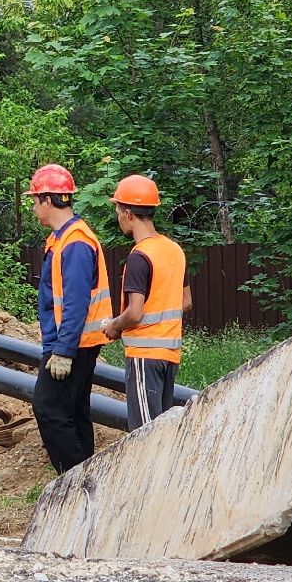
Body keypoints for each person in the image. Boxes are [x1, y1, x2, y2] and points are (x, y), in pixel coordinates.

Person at [28, 163, 112, 472]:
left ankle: (75, 480)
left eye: (35, 201)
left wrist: (63, 351)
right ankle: (88, 478)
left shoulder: (75, 241)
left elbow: (76, 303)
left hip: (72, 343)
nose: (35, 208)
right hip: (76, 341)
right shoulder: (64, 238)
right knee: (74, 411)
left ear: (48, 200)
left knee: (48, 407)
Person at [102, 174, 190, 427]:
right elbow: (186, 302)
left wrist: (115, 326)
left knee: (144, 434)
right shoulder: (173, 249)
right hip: (169, 356)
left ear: (128, 213)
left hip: (144, 356)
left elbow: (135, 313)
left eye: (118, 210)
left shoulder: (140, 256)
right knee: (161, 430)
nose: (118, 216)